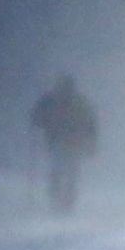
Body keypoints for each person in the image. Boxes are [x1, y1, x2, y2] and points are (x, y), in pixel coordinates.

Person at [30, 74, 98, 214]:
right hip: (67, 143)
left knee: (63, 172)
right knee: (65, 173)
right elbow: (91, 124)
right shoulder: (74, 101)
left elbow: (37, 116)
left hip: (64, 142)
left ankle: (62, 202)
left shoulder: (53, 100)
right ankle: (62, 202)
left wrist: (38, 123)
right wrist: (91, 142)